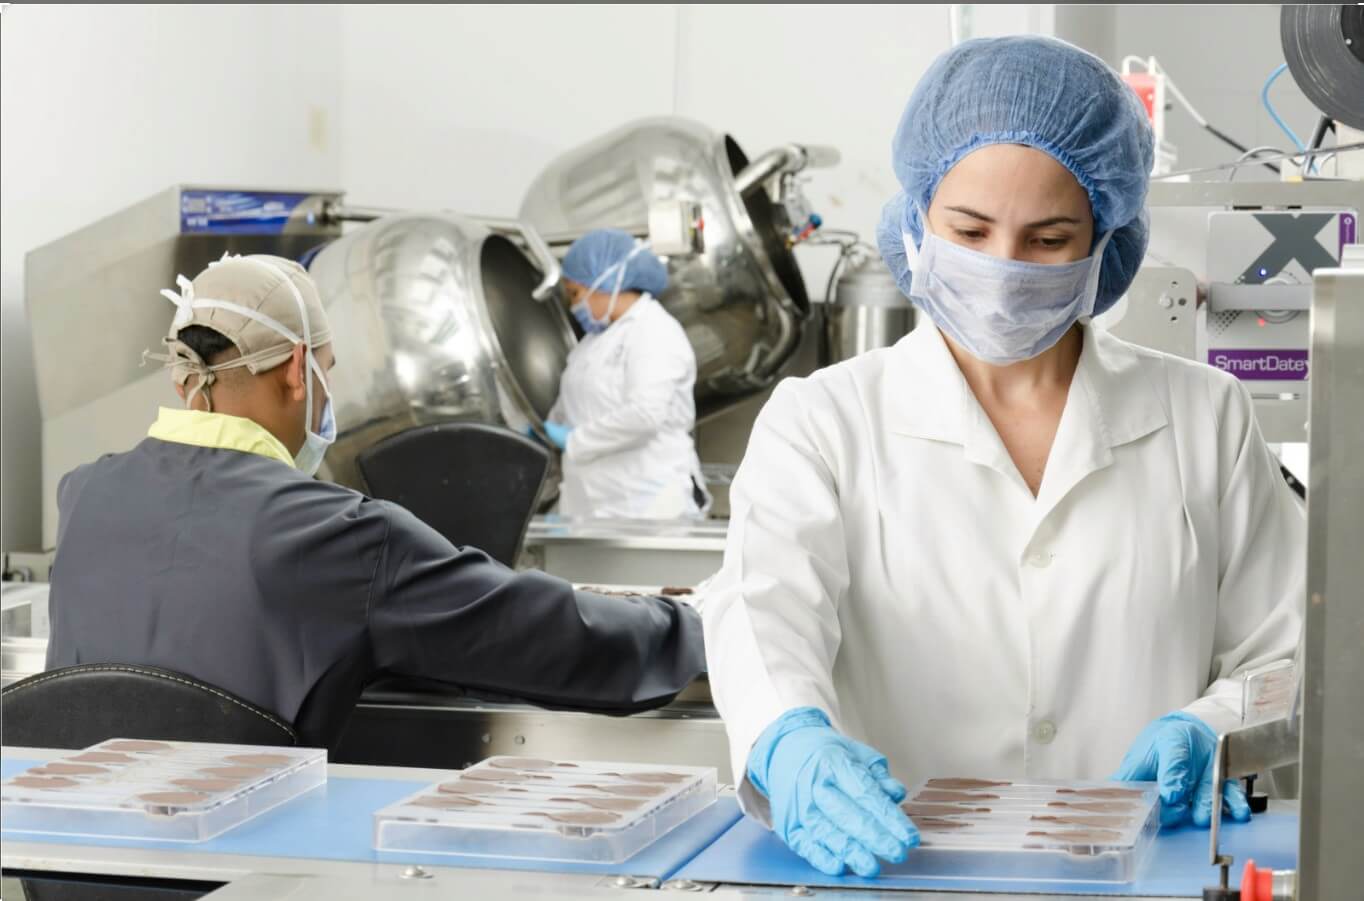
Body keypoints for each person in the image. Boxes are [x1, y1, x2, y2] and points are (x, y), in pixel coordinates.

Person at [702, 36, 1304, 879]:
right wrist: (788, 737)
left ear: (1106, 239)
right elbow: (764, 620)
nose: (1002, 267)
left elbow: (1289, 646)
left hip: (1141, 876)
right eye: (971, 228)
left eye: (1049, 237)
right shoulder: (824, 420)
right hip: (896, 875)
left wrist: (1217, 726)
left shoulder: (1204, 415)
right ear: (917, 219)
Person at [46, 254, 706, 745]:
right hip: (244, 875)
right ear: (298, 371)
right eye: (329, 372)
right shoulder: (335, 536)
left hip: (80, 872)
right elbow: (546, 635)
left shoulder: (82, 497)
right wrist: (698, 625)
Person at [542, 229, 710, 519]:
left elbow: (645, 414)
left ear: (606, 280)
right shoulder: (594, 340)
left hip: (650, 505)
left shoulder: (654, 331)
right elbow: (578, 399)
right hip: (595, 504)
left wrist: (574, 440)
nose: (574, 306)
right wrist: (545, 427)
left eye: (576, 293)